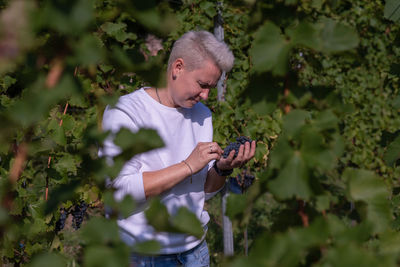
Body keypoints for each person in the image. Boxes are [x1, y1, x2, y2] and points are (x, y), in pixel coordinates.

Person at [99, 30, 256, 266]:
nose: (205, 95)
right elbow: (118, 192)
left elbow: (201, 192)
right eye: (202, 84)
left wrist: (222, 169)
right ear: (178, 67)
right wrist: (187, 166)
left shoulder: (202, 115)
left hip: (194, 253)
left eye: (211, 88)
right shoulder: (127, 113)